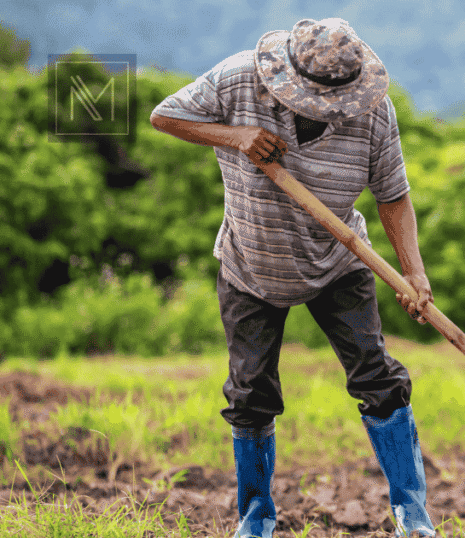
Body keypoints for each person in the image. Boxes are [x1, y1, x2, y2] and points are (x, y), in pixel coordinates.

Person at [149, 17, 438, 538]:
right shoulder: (238, 79)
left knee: (379, 378)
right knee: (250, 392)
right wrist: (234, 136)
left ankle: (412, 518)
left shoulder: (373, 112)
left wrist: (412, 274)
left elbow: (393, 195)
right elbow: (164, 116)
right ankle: (255, 520)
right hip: (251, 265)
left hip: (339, 263)